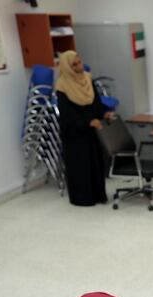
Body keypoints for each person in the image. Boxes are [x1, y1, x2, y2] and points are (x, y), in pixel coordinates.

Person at [55, 50, 114, 207]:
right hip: (75, 134)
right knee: (81, 166)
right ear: (67, 67)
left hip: (92, 131)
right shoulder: (62, 86)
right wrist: (87, 122)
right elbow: (67, 116)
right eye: (74, 65)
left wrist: (103, 114)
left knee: (95, 163)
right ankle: (82, 198)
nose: (79, 66)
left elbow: (96, 104)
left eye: (79, 62)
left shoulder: (88, 79)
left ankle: (98, 195)